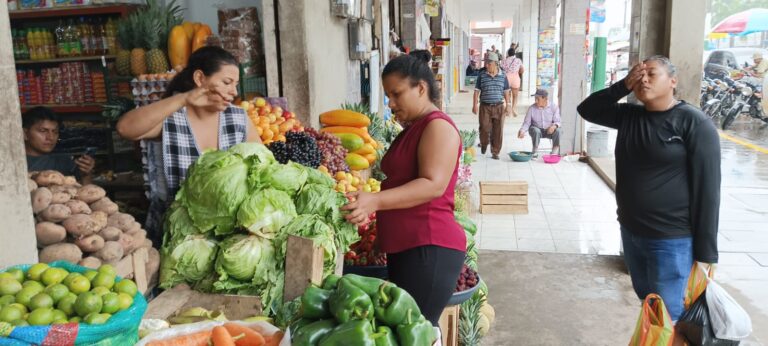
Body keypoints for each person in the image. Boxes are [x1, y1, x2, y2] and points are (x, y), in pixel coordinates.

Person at [577, 56, 720, 321]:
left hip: (671, 239)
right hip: (632, 233)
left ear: (673, 81)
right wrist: (622, 86)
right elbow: (587, 108)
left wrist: (706, 253)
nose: (643, 79)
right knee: (649, 304)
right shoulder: (629, 117)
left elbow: (708, 190)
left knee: (670, 314)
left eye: (651, 74)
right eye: (639, 74)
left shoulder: (693, 123)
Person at [342, 53, 466, 334]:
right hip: (410, 249)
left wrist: (374, 200)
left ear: (421, 88)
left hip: (429, 249)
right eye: (388, 96)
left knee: (414, 335)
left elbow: (433, 184)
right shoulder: (413, 128)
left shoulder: (438, 127)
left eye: (396, 94)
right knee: (405, 336)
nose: (391, 103)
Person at [117, 46, 261, 244]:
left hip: (226, 235)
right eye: (227, 82)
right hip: (173, 235)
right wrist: (183, 99)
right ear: (200, 78)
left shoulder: (238, 119)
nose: (233, 92)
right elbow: (125, 129)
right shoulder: (171, 118)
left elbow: (263, 166)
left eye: (235, 84)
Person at [23, 106, 95, 184]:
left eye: (55, 131)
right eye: (43, 131)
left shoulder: (65, 163)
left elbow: (85, 192)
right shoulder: (14, 162)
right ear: (25, 134)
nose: (50, 137)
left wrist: (86, 174)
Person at [472, 54, 511, 159]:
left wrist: (509, 105)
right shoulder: (482, 75)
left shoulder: (503, 75)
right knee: (484, 128)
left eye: (489, 63)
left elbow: (506, 91)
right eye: (486, 63)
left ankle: (495, 151)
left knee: (498, 130)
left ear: (495, 63)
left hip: (499, 106)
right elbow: (476, 91)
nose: (487, 65)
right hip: (485, 106)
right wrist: (474, 105)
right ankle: (484, 143)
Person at [518, 89, 561, 156]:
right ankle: (535, 150)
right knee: (535, 130)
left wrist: (554, 126)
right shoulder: (531, 108)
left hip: (549, 130)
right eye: (535, 98)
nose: (536, 101)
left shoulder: (554, 107)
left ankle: (554, 151)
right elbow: (527, 123)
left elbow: (557, 121)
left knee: (558, 130)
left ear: (545, 99)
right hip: (537, 130)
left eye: (538, 99)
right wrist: (522, 131)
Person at [500, 47, 524, 116]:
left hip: (506, 78)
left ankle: (508, 109)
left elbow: (501, 70)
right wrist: (517, 72)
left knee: (507, 95)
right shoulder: (518, 60)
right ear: (514, 53)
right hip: (515, 78)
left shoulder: (504, 61)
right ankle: (513, 109)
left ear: (508, 53)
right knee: (515, 95)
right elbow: (522, 70)